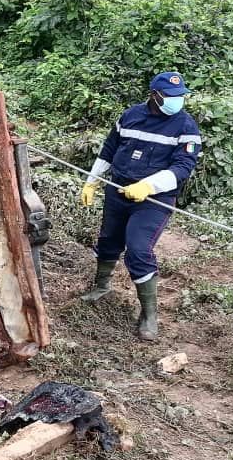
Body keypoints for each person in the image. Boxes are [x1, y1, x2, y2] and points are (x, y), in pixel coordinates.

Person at [78, 71, 201, 341]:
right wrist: (92, 182)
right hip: (117, 190)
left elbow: (183, 167)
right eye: (171, 97)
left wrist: (148, 186)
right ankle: (101, 287)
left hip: (153, 200)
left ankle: (149, 315)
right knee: (109, 240)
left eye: (181, 97)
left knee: (138, 248)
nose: (177, 101)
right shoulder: (130, 116)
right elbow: (109, 149)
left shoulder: (186, 126)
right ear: (155, 95)